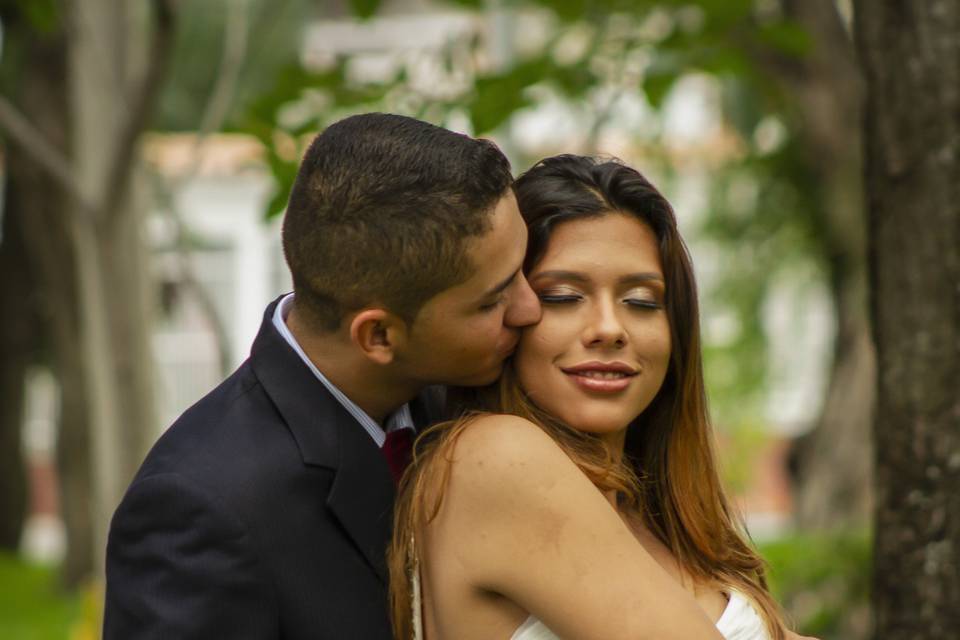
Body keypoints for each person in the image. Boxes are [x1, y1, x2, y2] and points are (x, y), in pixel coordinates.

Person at [103, 113, 541, 639]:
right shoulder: (200, 509)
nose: (530, 308)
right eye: (494, 299)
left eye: (523, 269)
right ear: (377, 336)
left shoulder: (485, 395)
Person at [389, 155, 812, 640]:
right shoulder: (494, 458)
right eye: (563, 297)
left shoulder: (660, 518)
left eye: (641, 302)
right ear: (508, 313)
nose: (609, 329)